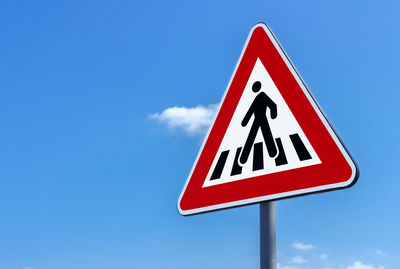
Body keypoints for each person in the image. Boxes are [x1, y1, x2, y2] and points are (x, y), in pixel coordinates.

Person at [239, 81, 278, 165]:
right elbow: (251, 110)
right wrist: (244, 122)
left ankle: (273, 153)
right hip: (256, 119)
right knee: (252, 137)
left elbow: (273, 105)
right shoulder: (257, 98)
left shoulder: (262, 95)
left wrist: (273, 115)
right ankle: (243, 158)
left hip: (262, 118)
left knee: (266, 135)